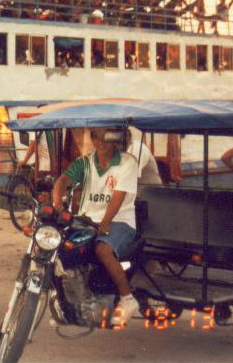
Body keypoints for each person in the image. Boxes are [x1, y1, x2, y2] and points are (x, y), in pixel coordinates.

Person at [51, 127, 140, 325]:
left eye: (105, 138)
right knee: (56, 248)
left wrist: (105, 223)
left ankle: (127, 299)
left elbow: (119, 196)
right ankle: (66, 302)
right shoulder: (85, 162)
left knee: (103, 249)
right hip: (87, 220)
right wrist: (57, 203)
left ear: (115, 138)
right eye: (95, 137)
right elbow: (63, 180)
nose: (100, 143)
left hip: (120, 221)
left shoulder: (127, 162)